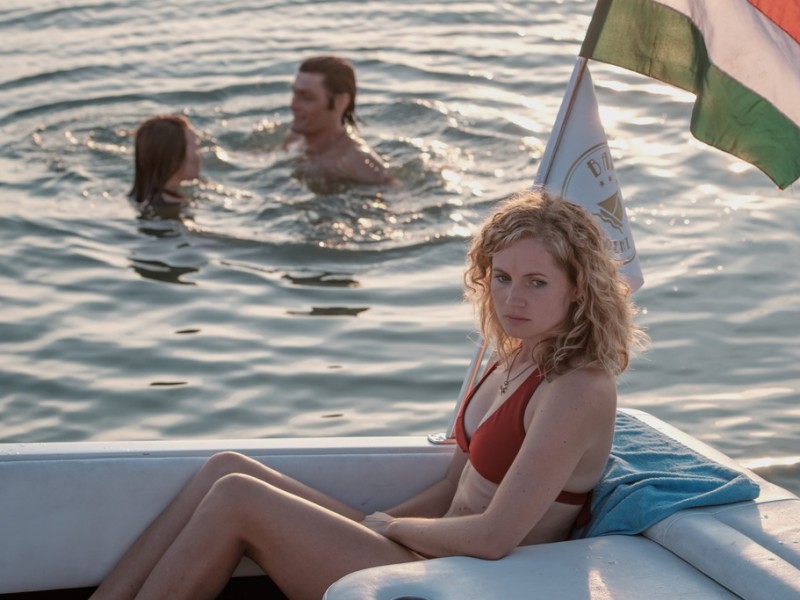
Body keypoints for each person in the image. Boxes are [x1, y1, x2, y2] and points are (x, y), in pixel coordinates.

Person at [90, 189, 646, 600]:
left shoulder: (579, 388)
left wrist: (390, 528)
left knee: (238, 496)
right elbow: (455, 486)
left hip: (475, 580)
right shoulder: (513, 354)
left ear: (580, 289)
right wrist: (375, 524)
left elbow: (496, 535)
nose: (512, 299)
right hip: (430, 551)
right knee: (224, 467)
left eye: (536, 282)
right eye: (501, 277)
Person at [283, 55, 393, 189]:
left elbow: (396, 196)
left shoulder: (359, 164)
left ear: (340, 102)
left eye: (307, 98)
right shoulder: (294, 139)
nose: (293, 105)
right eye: (295, 94)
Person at [130, 114, 201, 219]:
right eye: (195, 149)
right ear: (174, 158)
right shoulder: (171, 212)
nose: (199, 156)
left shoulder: (137, 198)